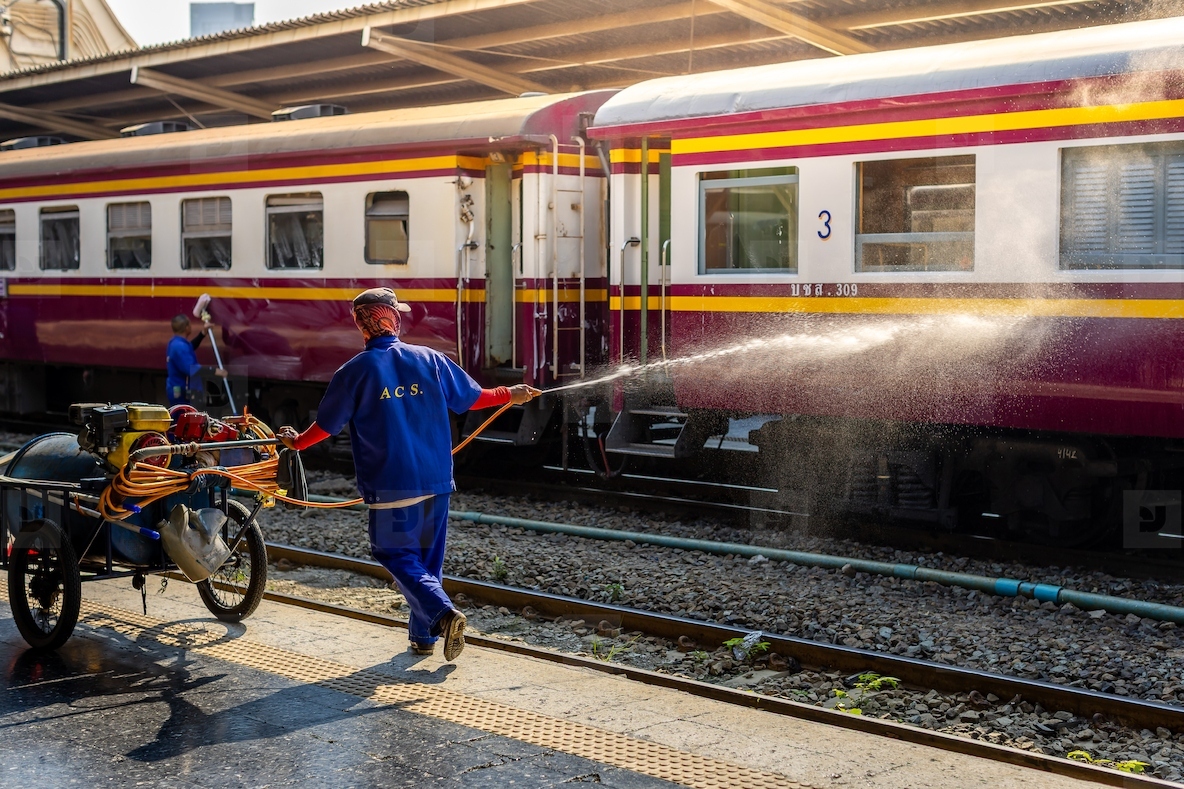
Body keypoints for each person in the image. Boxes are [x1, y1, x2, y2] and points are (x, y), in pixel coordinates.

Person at [278, 288, 538, 661]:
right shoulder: (430, 358)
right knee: (427, 563)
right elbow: (472, 397)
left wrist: (295, 443)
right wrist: (509, 393)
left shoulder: (353, 371)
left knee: (392, 552)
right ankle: (424, 638)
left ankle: (443, 614)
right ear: (392, 318)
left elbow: (326, 427)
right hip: (436, 482)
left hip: (391, 484)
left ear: (362, 323)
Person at [166, 314, 227, 407]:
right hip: (181, 391)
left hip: (177, 388)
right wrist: (215, 371)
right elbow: (192, 369)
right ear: (186, 328)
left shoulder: (176, 343)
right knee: (183, 416)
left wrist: (203, 333)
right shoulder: (180, 347)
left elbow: (190, 347)